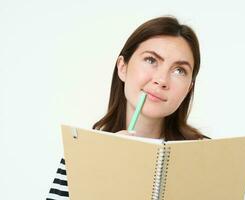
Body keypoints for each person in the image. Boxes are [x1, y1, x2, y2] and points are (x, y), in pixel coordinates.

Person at [46, 15, 209, 200]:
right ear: (122, 67)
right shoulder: (84, 152)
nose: (162, 80)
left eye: (179, 70)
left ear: (189, 88)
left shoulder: (207, 156)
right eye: (151, 60)